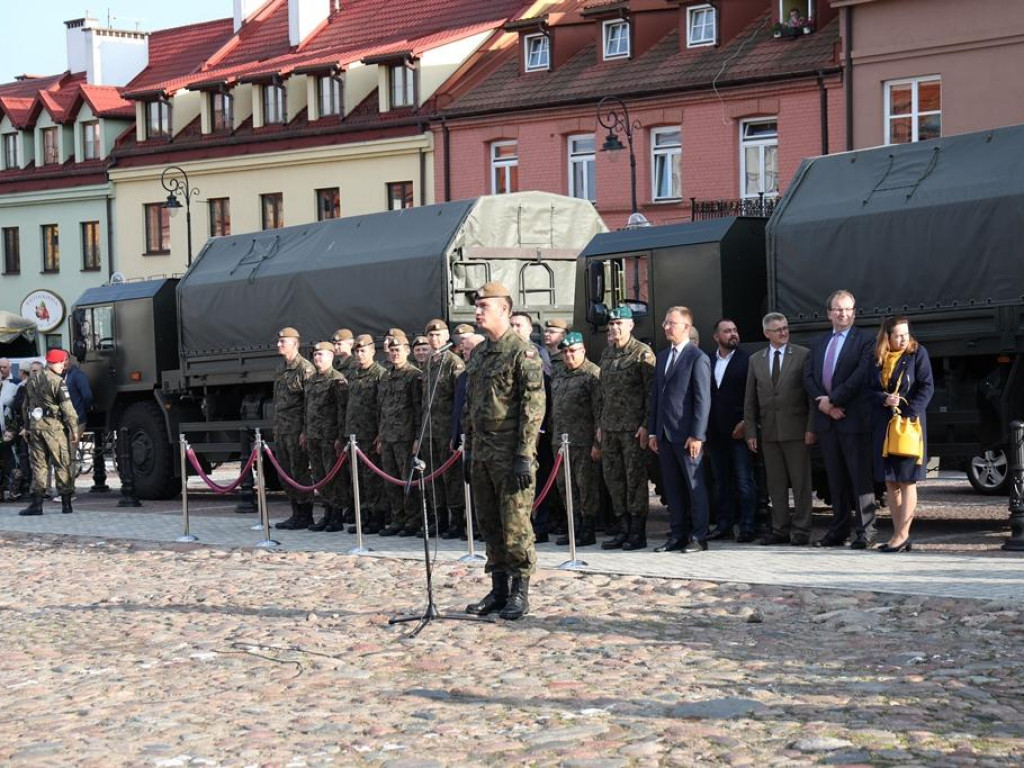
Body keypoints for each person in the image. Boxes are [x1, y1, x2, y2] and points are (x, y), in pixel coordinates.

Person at [464, 281, 544, 620]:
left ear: (505, 310)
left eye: (484, 306)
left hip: (511, 455)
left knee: (515, 525)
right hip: (482, 453)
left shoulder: (521, 352)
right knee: (490, 524)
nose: (477, 311)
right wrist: (468, 450)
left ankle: (519, 592)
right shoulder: (480, 354)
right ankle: (498, 590)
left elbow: (533, 406)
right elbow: (471, 407)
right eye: (477, 305)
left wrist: (525, 454)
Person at [803, 290, 877, 548]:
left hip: (852, 418)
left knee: (859, 478)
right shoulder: (820, 342)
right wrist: (824, 406)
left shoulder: (866, 341)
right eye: (838, 309)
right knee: (835, 478)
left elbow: (860, 375)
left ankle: (865, 531)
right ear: (829, 313)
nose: (843, 313)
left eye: (848, 309)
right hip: (828, 421)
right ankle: (838, 530)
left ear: (854, 312)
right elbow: (809, 377)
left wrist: (833, 400)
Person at [744, 312, 816, 546]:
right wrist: (751, 432)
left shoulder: (803, 355)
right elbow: (750, 400)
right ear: (766, 333)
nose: (783, 332)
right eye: (778, 330)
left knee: (801, 483)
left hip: (797, 430)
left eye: (785, 328)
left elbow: (810, 396)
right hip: (769, 432)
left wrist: (811, 428)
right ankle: (780, 529)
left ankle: (802, 530)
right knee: (775, 484)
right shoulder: (756, 359)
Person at [649, 307, 712, 552]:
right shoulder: (663, 357)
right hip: (665, 435)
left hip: (687, 436)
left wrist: (698, 434)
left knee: (694, 488)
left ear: (686, 327)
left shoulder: (697, 357)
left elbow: (702, 399)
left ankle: (698, 537)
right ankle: (677, 534)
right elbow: (657, 397)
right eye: (665, 322)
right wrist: (654, 431)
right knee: (672, 487)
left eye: (671, 323)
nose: (666, 327)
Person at [869, 316, 934, 552]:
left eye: (906, 334)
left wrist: (907, 411)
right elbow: (869, 389)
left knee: (907, 479)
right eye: (897, 335)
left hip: (909, 424)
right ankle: (897, 534)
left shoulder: (918, 353)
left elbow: (927, 387)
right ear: (887, 337)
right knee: (890, 480)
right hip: (885, 425)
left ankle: (902, 535)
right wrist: (884, 399)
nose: (903, 339)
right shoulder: (877, 357)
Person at [598, 305, 656, 550]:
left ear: (630, 325)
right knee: (614, 479)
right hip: (610, 428)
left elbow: (650, 394)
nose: (614, 327)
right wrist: (600, 424)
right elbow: (603, 393)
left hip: (633, 429)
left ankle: (637, 532)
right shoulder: (607, 354)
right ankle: (622, 528)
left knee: (634, 480)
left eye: (619, 323)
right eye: (611, 324)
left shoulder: (642, 354)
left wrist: (646, 425)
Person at [550, 331, 602, 546]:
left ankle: (588, 530)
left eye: (572, 351)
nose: (568, 356)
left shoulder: (592, 374)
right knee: (565, 486)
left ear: (583, 351)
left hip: (583, 441)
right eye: (565, 352)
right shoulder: (559, 373)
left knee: (585, 486)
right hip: (561, 441)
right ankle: (575, 527)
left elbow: (599, 410)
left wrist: (597, 443)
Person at [706, 319, 756, 542]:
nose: (733, 334)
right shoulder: (708, 361)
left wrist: (747, 422)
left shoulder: (748, 360)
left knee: (744, 481)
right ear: (717, 337)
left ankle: (747, 527)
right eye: (727, 331)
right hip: (715, 432)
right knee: (721, 481)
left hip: (739, 430)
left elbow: (755, 395)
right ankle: (724, 524)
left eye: (735, 330)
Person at [419, 319, 466, 539]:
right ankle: (439, 520)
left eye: (438, 335)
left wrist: (456, 433)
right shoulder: (429, 362)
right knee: (432, 477)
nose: (434, 339)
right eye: (431, 336)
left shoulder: (453, 363)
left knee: (451, 477)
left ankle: (456, 521)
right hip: (429, 431)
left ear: (447, 337)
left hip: (446, 429)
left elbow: (460, 400)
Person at [18, 349, 78, 516]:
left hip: (36, 427)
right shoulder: (58, 381)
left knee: (39, 465)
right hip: (54, 428)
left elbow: (25, 406)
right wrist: (74, 429)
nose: (63, 366)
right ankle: (66, 504)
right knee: (61, 463)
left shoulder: (32, 380)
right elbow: (67, 408)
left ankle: (36, 505)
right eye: (61, 363)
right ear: (54, 363)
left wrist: (27, 426)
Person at [376, 332, 424, 537]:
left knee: (407, 480)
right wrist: (380, 435)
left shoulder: (413, 375)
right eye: (392, 350)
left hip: (405, 437)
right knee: (391, 480)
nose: (394, 354)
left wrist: (416, 438)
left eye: (398, 350)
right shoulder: (386, 375)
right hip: (387, 436)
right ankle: (398, 519)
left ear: (406, 351)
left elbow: (418, 408)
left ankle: (413, 520)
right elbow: (381, 407)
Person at [272, 327, 316, 530]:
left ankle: (306, 515)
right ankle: (295, 513)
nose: (279, 344)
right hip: (282, 429)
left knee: (300, 472)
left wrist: (305, 430)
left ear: (295, 344)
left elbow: (310, 403)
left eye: (283, 341)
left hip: (297, 430)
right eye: (279, 341)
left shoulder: (305, 369)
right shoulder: (281, 370)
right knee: (285, 473)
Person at [302, 342, 348, 532]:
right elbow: (307, 410)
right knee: (320, 477)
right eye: (315, 355)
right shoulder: (312, 380)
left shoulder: (336, 380)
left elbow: (342, 411)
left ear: (331, 356)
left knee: (333, 476)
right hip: (314, 436)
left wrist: (340, 437)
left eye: (321, 354)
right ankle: (327, 513)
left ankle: (336, 516)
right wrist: (305, 431)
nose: (317, 358)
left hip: (330, 437)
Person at [345, 334, 387, 533]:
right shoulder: (352, 374)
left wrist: (380, 433)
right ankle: (363, 517)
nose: (360, 355)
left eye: (363, 351)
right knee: (359, 478)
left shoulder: (380, 374)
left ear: (372, 351)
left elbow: (383, 407)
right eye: (357, 351)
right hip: (355, 435)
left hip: (371, 434)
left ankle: (377, 517)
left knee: (373, 479)